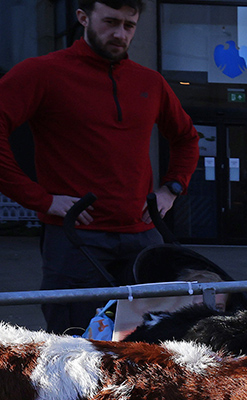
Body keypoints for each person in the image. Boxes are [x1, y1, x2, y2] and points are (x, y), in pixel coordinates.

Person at [0, 0, 200, 334]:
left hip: (142, 236)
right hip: (77, 240)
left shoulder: (149, 81)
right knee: (76, 346)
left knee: (151, 342)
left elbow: (186, 137)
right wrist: (41, 199)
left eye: (129, 25)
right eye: (110, 21)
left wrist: (172, 188)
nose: (120, 33)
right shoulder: (43, 72)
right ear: (83, 18)